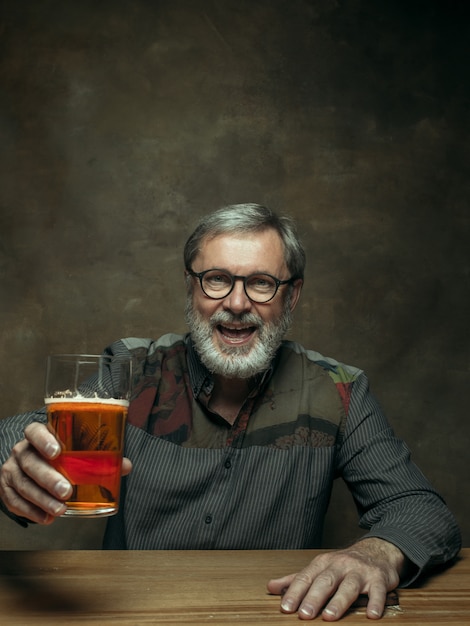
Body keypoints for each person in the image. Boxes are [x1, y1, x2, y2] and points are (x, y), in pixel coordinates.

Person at [0, 203, 461, 621]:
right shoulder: (132, 371)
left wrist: (375, 553)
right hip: (127, 614)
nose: (237, 304)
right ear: (191, 286)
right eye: (217, 279)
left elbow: (419, 508)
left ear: (292, 295)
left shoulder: (338, 391)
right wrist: (13, 468)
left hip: (277, 616)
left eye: (261, 283)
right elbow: (18, 437)